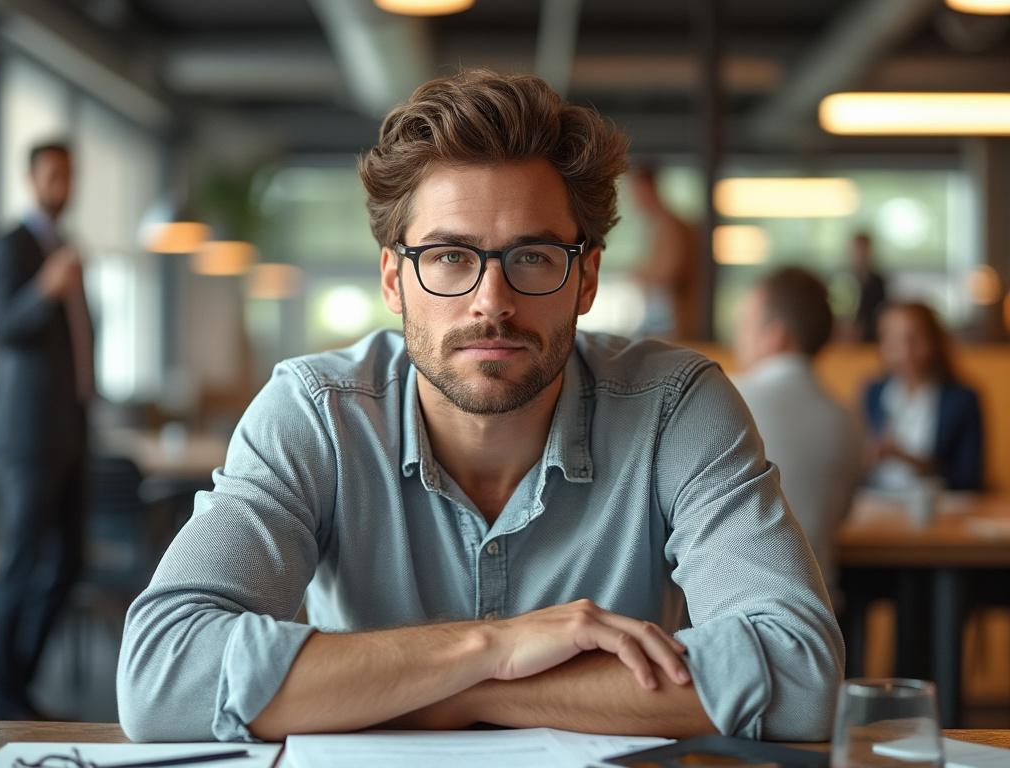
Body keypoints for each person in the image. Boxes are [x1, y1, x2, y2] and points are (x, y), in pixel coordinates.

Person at [117, 70, 842, 743]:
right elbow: (163, 674)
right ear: (394, 281)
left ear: (585, 278)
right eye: (450, 257)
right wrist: (492, 646)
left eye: (531, 256)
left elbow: (801, 674)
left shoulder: (675, 406)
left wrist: (454, 690)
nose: (490, 303)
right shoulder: (317, 411)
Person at [0, 140, 93, 719]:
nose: (63, 185)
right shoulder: (12, 246)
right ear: (32, 179)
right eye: (54, 175)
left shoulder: (69, 246)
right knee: (22, 563)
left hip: (72, 427)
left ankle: (18, 681)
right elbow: (5, 326)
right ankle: (4, 694)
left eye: (69, 175)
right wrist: (45, 289)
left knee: (72, 562)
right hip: (27, 436)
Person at [732, 267, 863, 599]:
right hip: (821, 619)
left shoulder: (725, 398)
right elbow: (844, 514)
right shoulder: (847, 418)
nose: (737, 334)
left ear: (776, 335)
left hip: (731, 618)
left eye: (746, 323)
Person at [863, 301, 983, 491]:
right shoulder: (873, 393)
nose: (904, 351)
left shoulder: (962, 400)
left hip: (940, 508)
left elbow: (968, 479)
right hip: (877, 505)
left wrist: (906, 457)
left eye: (914, 338)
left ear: (934, 340)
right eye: (891, 339)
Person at [629, 167, 699, 340]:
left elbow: (669, 273)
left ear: (648, 189)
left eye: (636, 191)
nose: (634, 199)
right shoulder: (657, 225)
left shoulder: (671, 226)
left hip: (674, 323)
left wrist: (639, 274)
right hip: (663, 319)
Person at [850, 232, 887, 343]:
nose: (860, 254)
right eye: (857, 250)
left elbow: (882, 310)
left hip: (871, 338)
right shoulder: (843, 279)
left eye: (863, 249)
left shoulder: (878, 282)